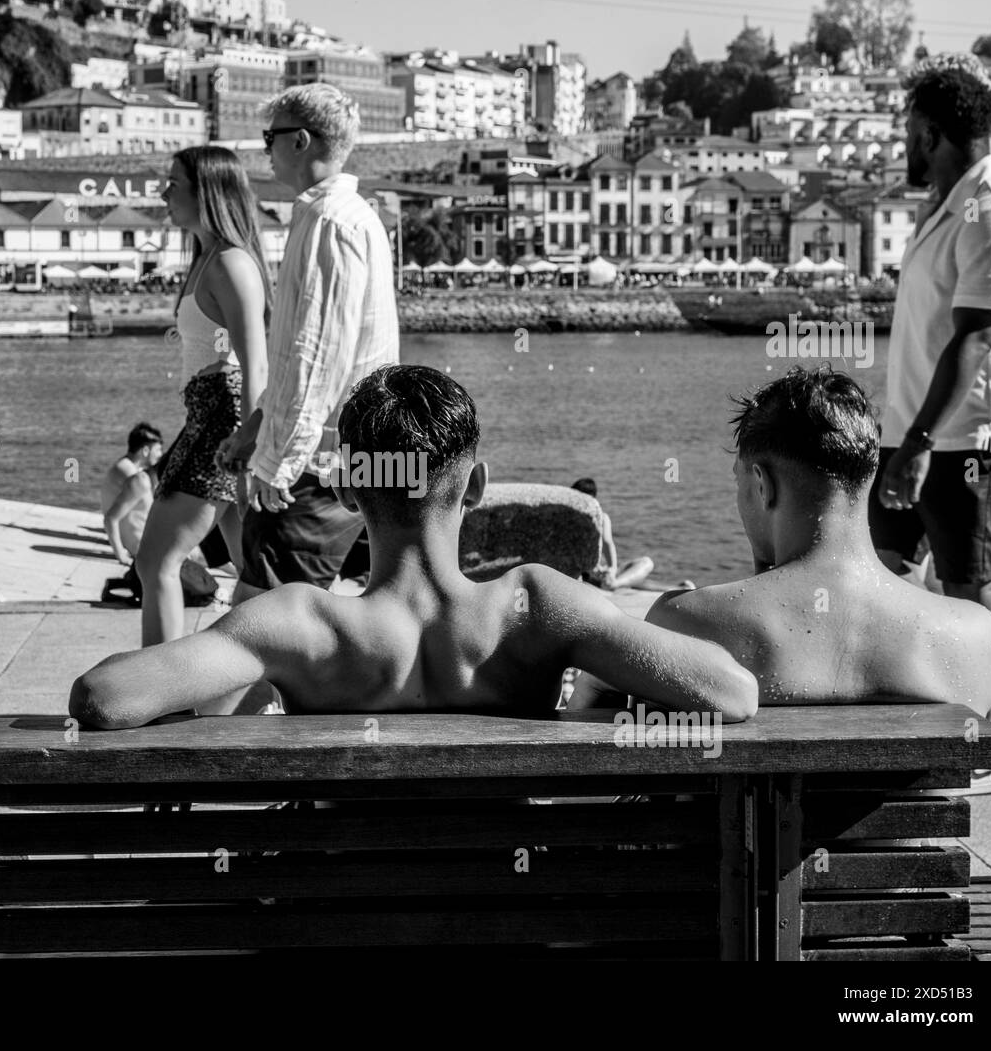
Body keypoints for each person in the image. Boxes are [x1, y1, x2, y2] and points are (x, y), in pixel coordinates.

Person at [69, 366, 757, 727]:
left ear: (346, 494)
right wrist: (603, 682)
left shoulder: (297, 621)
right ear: (478, 484)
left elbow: (105, 696)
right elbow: (731, 692)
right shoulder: (537, 606)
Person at [646, 367, 991, 791]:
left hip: (741, 856)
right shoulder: (976, 634)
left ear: (762, 485)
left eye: (739, 483)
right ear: (868, 474)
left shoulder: (685, 622)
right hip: (906, 857)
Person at [867, 65, 991, 747]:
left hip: (965, 438)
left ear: (929, 132)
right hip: (910, 433)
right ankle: (912, 710)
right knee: (881, 568)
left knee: (970, 586)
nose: (905, 143)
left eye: (908, 130)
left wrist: (921, 441)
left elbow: (979, 334)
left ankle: (985, 734)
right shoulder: (949, 199)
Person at [215, 83, 399, 616]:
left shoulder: (327, 220)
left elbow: (318, 358)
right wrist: (257, 424)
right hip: (341, 456)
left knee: (262, 617)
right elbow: (308, 352)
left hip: (318, 466)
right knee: (284, 617)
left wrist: (278, 462)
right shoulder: (345, 214)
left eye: (268, 138)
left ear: (299, 141)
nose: (264, 150)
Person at [135, 146, 269, 647]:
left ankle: (163, 693)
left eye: (173, 184)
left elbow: (254, 362)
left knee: (156, 562)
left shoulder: (231, 264)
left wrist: (248, 448)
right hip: (207, 412)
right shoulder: (206, 259)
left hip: (223, 419)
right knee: (253, 572)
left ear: (206, 191)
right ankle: (269, 685)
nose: (164, 193)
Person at [570, 477, 655, 591]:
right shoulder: (600, 518)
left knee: (645, 562)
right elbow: (607, 543)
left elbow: (607, 544)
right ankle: (614, 584)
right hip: (591, 576)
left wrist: (611, 569)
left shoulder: (574, 519)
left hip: (598, 573)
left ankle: (614, 583)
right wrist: (610, 569)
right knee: (643, 566)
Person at [101, 422, 163, 569]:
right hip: (138, 545)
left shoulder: (124, 466)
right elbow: (110, 518)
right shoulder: (133, 475)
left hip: (133, 540)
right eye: (159, 449)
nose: (160, 455)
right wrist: (120, 554)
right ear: (146, 450)